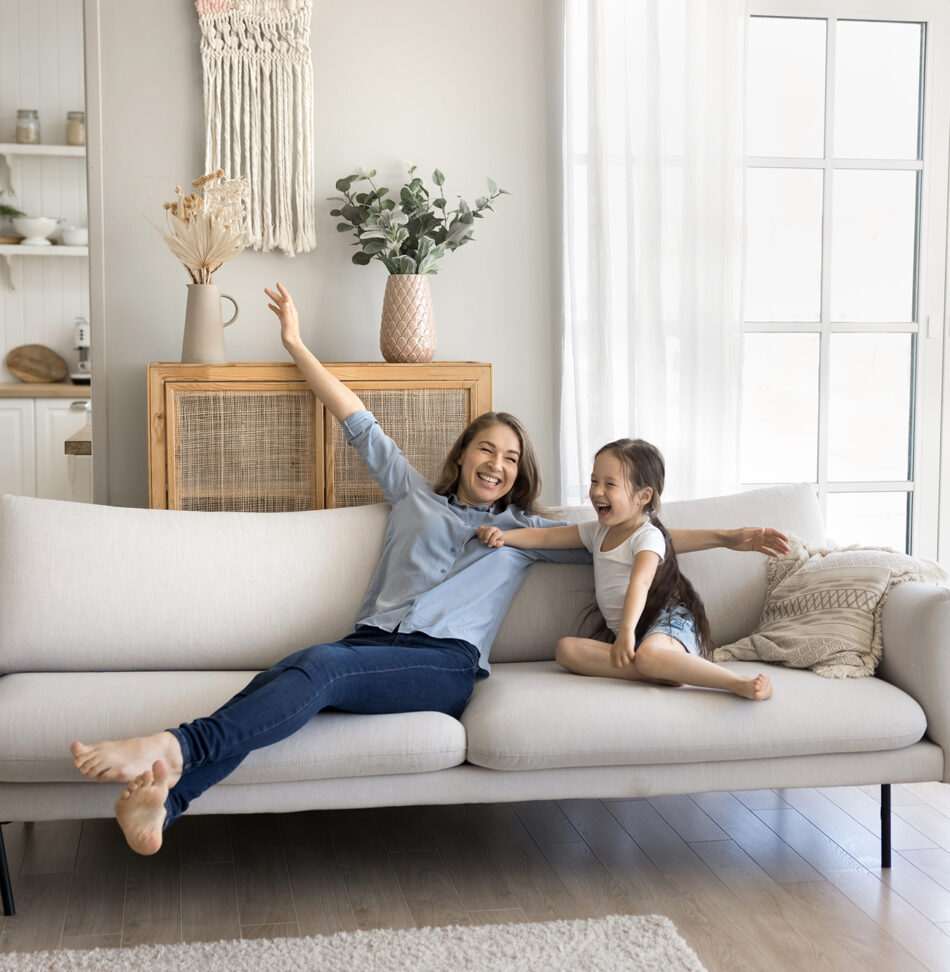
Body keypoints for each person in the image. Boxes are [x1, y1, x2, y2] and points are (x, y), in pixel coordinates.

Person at [71, 283, 787, 856]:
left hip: (441, 667)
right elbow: (355, 417)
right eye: (487, 449)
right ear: (464, 452)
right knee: (289, 670)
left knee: (315, 669)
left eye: (511, 459)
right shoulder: (412, 494)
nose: (497, 464)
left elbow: (639, 533)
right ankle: (169, 796)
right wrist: (295, 343)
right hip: (371, 647)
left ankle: (169, 746)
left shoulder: (533, 533)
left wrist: (731, 534)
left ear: (520, 475)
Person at [478, 437, 776, 701]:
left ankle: (736, 683)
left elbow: (640, 584)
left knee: (649, 653)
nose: (597, 492)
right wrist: (505, 536)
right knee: (566, 650)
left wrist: (627, 633)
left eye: (610, 484)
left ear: (643, 496)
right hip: (634, 637)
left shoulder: (648, 536)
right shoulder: (597, 532)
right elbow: (545, 536)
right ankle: (658, 670)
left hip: (667, 624)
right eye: (594, 481)